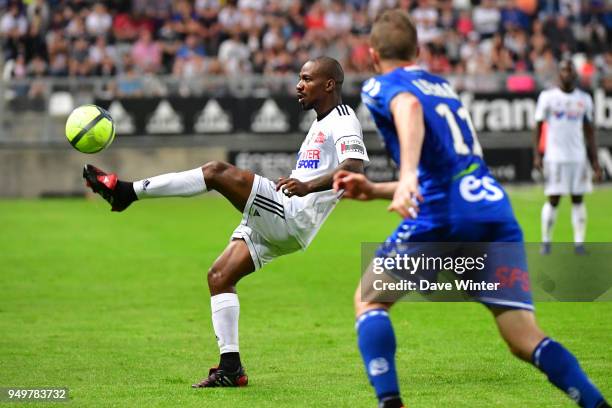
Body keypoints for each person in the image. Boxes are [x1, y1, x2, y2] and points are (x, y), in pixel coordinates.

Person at [333, 10, 609, 408]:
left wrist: (407, 175)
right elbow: (450, 168)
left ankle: (390, 403)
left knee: (369, 300)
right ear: (418, 50)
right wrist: (377, 188)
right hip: (493, 212)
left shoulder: (381, 86)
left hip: (444, 214)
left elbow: (408, 108)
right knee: (523, 338)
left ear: (373, 55)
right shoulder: (443, 86)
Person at [83, 56, 368, 387]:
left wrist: (306, 186)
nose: (298, 85)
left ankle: (127, 193)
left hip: (291, 216)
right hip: (286, 218)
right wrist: (301, 181)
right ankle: (231, 368)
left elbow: (355, 168)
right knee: (219, 276)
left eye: (306, 79)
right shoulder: (321, 121)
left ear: (329, 84)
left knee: (216, 172)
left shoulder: (344, 120)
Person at [533, 59, 601, 255]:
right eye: (563, 69)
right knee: (553, 199)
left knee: (578, 199)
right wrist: (537, 155)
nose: (567, 73)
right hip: (555, 158)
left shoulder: (584, 99)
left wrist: (595, 162)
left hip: (578, 157)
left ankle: (579, 243)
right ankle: (545, 241)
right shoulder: (547, 97)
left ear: (575, 75)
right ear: (558, 74)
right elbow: (537, 127)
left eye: (570, 70)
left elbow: (590, 133)